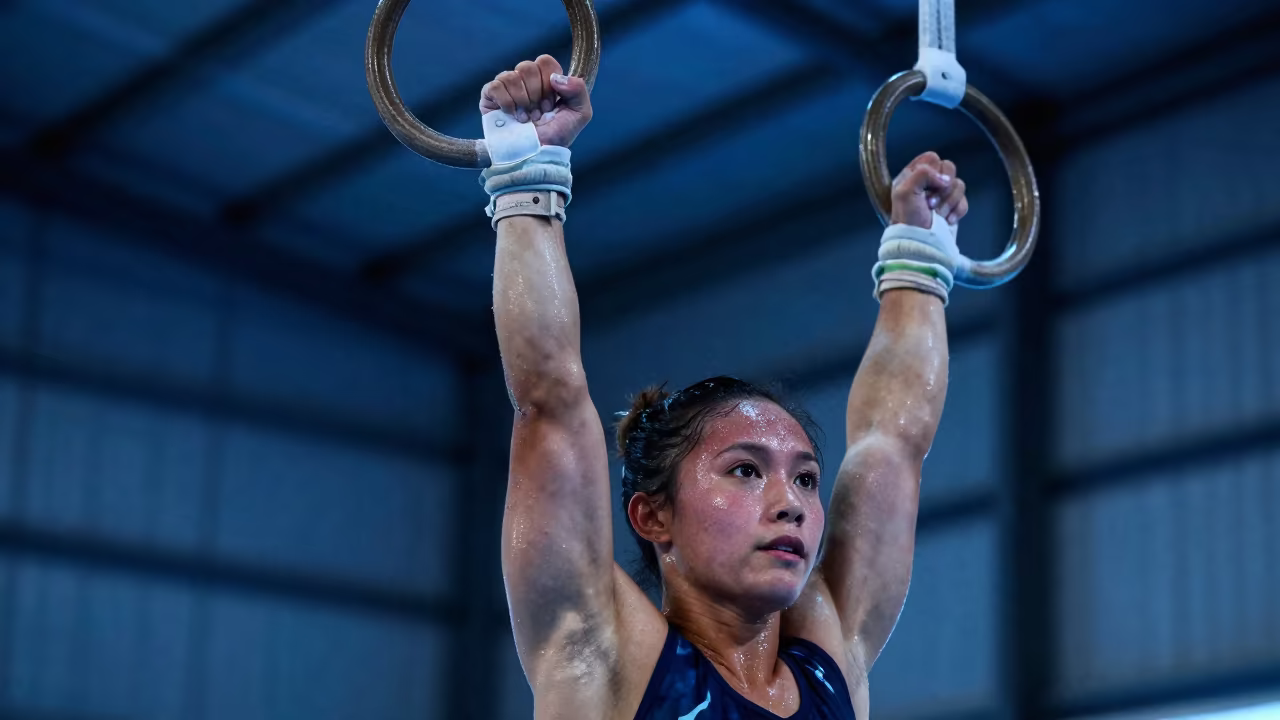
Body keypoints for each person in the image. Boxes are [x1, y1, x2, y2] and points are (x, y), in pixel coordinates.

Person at [483, 55, 968, 720]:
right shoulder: (602, 655)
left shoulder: (831, 660)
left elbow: (895, 441)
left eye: (806, 479)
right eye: (745, 470)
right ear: (653, 517)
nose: (792, 504)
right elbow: (549, 396)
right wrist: (526, 172)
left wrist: (920, 256)